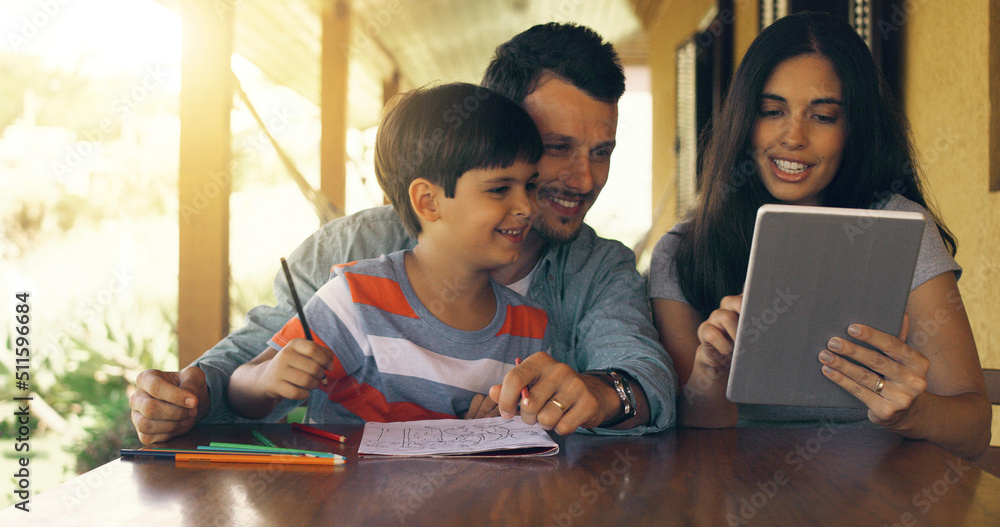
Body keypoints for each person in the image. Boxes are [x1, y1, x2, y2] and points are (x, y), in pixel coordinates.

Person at [130, 23, 677, 443]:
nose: (584, 179)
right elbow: (248, 365)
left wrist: (601, 395)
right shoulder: (349, 254)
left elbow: (647, 378)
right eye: (558, 148)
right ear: (494, 128)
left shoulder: (596, 269)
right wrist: (184, 398)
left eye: (601, 151)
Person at [649, 12, 991, 460]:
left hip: (875, 489)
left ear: (853, 129)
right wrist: (711, 372)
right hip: (732, 486)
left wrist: (911, 413)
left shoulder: (902, 229)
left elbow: (974, 428)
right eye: (772, 112)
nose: (793, 137)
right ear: (742, 121)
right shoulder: (682, 252)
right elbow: (687, 439)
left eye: (824, 117)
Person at [227, 83, 550, 422]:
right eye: (500, 189)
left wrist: (489, 432)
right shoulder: (357, 297)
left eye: (529, 185)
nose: (527, 206)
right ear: (428, 201)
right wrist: (265, 380)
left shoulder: (530, 325)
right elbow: (241, 393)